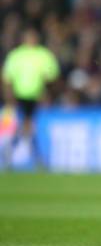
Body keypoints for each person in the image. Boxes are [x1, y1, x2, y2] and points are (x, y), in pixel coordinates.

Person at [2, 27, 60, 168]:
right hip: (18, 96)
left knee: (28, 126)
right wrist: (9, 96)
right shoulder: (16, 55)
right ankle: (36, 157)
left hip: (35, 96)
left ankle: (12, 152)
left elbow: (52, 76)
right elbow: (7, 77)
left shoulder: (43, 55)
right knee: (28, 126)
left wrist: (47, 93)